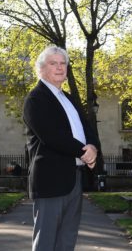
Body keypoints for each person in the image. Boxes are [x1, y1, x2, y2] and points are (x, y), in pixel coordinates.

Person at [23, 45, 99, 251]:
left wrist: (92, 146)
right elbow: (52, 136)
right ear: (41, 69)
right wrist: (84, 152)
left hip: (74, 178)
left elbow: (87, 127)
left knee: (67, 240)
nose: (59, 67)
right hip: (50, 180)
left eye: (62, 63)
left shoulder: (69, 99)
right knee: (46, 242)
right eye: (53, 63)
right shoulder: (35, 99)